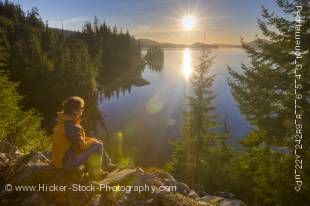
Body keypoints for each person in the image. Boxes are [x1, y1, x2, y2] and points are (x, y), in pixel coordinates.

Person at [52, 96, 116, 179]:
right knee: (98, 145)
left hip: (62, 160)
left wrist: (93, 140)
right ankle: (95, 173)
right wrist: (94, 142)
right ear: (74, 110)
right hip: (67, 164)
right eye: (81, 108)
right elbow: (82, 146)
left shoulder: (64, 121)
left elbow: (77, 140)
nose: (82, 110)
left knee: (96, 142)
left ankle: (107, 164)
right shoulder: (71, 126)